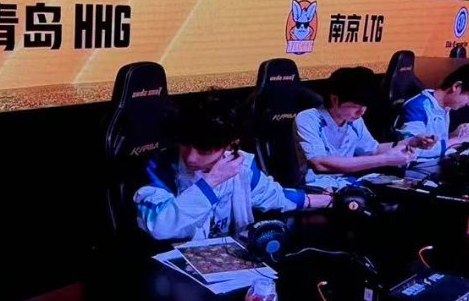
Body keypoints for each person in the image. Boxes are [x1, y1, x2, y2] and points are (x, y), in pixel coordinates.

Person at [135, 93, 331, 242]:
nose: (191, 157)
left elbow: (274, 196)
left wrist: (323, 200)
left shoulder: (240, 164)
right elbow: (159, 226)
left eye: (204, 150)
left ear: (229, 146)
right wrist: (211, 182)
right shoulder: (160, 167)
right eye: (185, 144)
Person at [294, 66, 425, 187]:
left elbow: (374, 149)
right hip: (316, 187)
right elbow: (320, 164)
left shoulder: (354, 121)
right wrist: (386, 159)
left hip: (345, 183)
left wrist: (409, 142)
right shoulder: (308, 118)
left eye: (364, 106)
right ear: (335, 100)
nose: (361, 112)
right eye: (355, 106)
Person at [396, 63, 469, 164]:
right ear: (456, 86)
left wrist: (454, 136)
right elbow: (410, 149)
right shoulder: (417, 107)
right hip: (418, 169)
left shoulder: (444, 108)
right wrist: (462, 141)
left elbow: (433, 143)